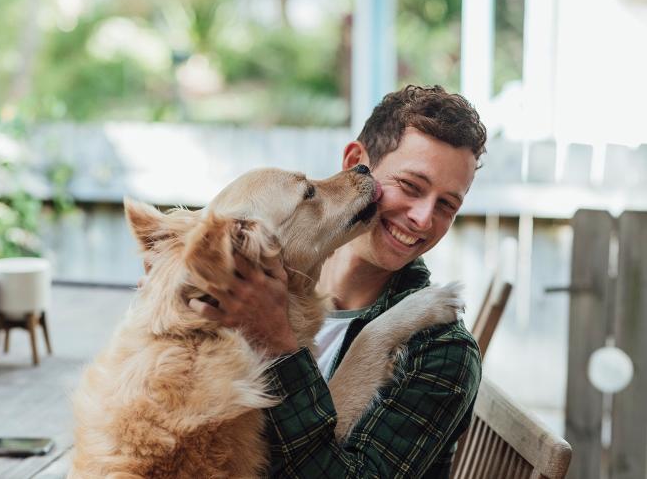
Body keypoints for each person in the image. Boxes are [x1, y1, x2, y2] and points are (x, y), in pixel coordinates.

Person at [187, 84, 486, 478]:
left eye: (446, 205)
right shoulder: (248, 288)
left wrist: (276, 341)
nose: (423, 218)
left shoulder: (440, 350)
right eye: (411, 186)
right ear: (355, 163)